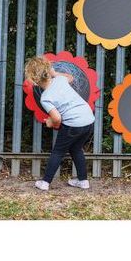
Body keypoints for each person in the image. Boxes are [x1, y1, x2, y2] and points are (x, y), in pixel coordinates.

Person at [23, 56, 95, 191]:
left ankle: (45, 182)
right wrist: (55, 73)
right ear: (49, 70)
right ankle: (83, 181)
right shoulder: (60, 79)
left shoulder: (45, 97)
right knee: (76, 149)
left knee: (58, 152)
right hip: (88, 120)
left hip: (73, 124)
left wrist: (51, 123)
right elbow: (71, 77)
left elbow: (57, 118)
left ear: (34, 80)